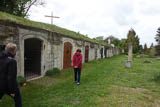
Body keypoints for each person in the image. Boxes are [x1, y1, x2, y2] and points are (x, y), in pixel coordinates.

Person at [0, 43, 22, 107]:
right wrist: (12, 91)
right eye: (15, 51)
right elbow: (11, 77)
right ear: (13, 51)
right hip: (7, 86)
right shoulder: (12, 61)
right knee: (18, 99)